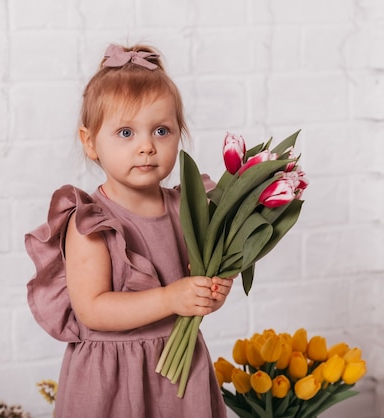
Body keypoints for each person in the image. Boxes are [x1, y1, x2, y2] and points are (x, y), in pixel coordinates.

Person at [25, 43, 233, 417]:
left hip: (179, 367)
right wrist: (171, 299)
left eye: (161, 130)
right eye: (125, 133)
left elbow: (194, 280)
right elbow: (93, 309)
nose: (147, 147)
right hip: (112, 377)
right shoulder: (90, 222)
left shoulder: (188, 208)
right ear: (90, 143)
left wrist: (208, 293)